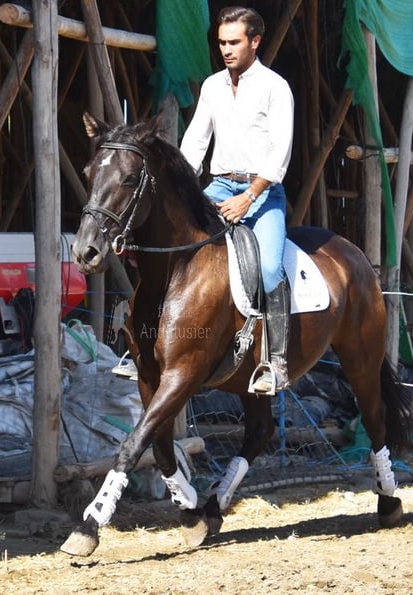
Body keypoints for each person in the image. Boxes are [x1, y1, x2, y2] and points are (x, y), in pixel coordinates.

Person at [180, 6, 294, 394]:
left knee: (269, 268)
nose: (226, 50)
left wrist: (249, 197)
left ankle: (276, 362)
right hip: (217, 187)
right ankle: (149, 344)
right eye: (221, 43)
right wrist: (183, 189)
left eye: (234, 42)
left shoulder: (276, 87)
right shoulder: (212, 87)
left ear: (255, 41)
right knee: (176, 245)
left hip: (263, 192)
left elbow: (280, 153)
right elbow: (195, 143)